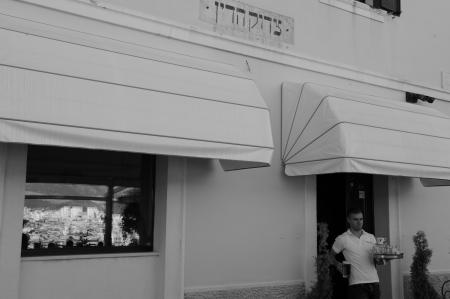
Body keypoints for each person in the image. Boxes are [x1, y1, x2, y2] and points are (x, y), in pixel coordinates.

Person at [330, 207, 383, 299]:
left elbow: (377, 261)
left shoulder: (371, 237)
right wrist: (337, 264)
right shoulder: (342, 239)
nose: (359, 222)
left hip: (374, 281)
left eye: (361, 219)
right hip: (357, 284)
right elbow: (329, 256)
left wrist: (382, 259)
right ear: (348, 220)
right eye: (355, 219)